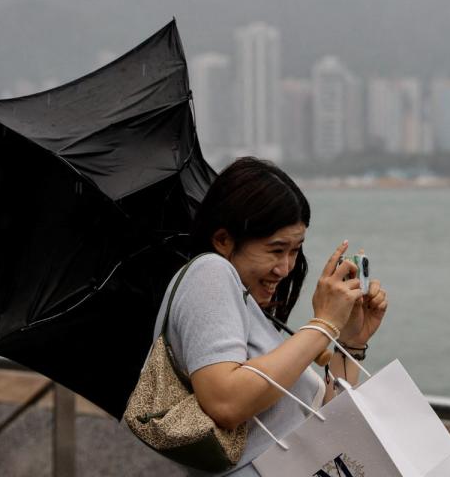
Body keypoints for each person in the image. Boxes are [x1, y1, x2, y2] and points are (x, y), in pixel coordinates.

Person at [153, 157, 389, 475]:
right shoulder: (210, 272)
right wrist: (325, 323)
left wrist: (350, 340)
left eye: (295, 250)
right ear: (223, 240)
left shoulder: (250, 310)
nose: (286, 267)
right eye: (276, 250)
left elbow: (329, 425)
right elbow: (225, 403)